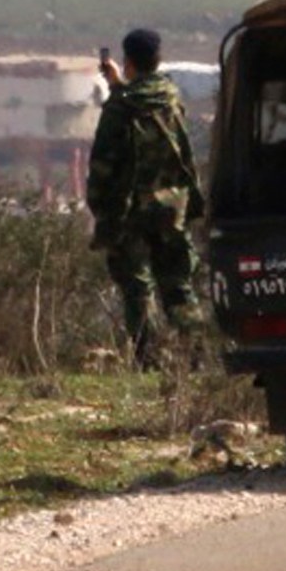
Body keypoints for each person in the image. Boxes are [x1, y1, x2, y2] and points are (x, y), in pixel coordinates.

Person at [87, 26, 208, 363]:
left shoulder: (119, 109)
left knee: (137, 288)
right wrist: (118, 86)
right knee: (178, 285)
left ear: (128, 62)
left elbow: (102, 166)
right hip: (171, 207)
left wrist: (101, 213)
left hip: (131, 212)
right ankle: (197, 355)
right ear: (158, 59)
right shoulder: (170, 97)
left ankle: (149, 359)